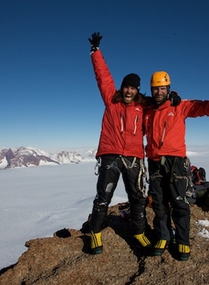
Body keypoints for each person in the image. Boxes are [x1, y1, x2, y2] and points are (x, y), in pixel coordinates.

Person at [144, 71, 209, 260]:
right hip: (154, 163)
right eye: (155, 89)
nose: (159, 92)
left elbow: (203, 108)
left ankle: (183, 240)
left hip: (176, 163)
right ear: (151, 90)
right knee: (159, 203)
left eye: (162, 88)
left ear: (168, 89)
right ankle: (163, 236)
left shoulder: (180, 106)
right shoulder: (148, 109)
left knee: (179, 202)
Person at [87, 32, 152, 255]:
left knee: (137, 197)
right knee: (103, 196)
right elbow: (103, 76)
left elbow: (163, 101)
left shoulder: (143, 106)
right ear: (122, 87)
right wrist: (96, 51)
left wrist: (173, 96)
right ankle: (95, 233)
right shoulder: (111, 100)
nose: (129, 90)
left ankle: (139, 232)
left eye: (133, 88)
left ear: (137, 91)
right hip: (111, 155)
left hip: (134, 158)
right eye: (127, 87)